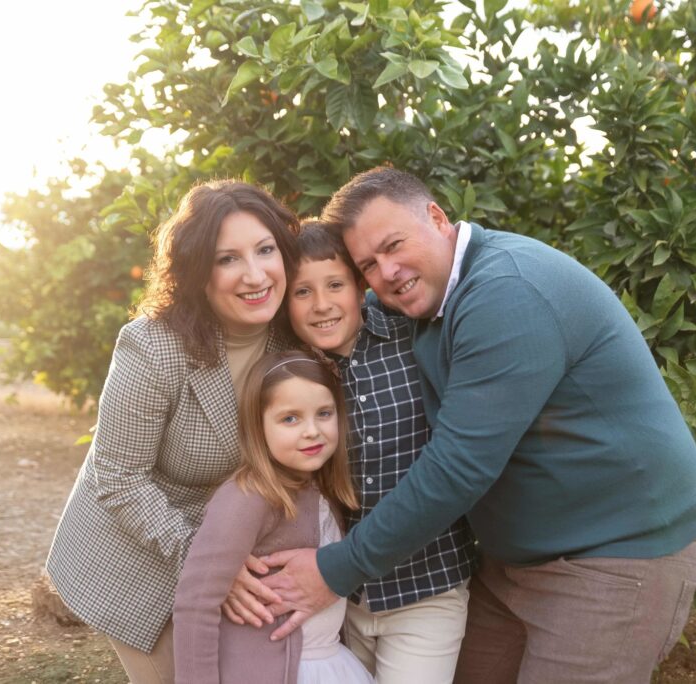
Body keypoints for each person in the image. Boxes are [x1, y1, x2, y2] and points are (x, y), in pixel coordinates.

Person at [258, 167, 696, 683]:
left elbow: (458, 468)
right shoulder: (431, 298)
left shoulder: (505, 293)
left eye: (395, 245)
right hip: (515, 564)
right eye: (369, 266)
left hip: (614, 556)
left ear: (436, 217)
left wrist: (336, 569)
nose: (388, 271)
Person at [44, 179, 300, 683]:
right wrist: (211, 563)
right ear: (197, 271)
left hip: (232, 542)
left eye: (265, 249)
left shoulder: (293, 330)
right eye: (227, 259)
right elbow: (117, 476)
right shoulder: (153, 346)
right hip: (135, 551)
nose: (255, 274)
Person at [286, 221, 475, 682]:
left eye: (335, 285)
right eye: (302, 292)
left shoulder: (412, 337)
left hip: (427, 587)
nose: (322, 304)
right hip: (339, 600)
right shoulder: (294, 375)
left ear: (359, 287)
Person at [173, 350, 375, 684]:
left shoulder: (323, 490)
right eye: (290, 419)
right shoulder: (248, 496)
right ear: (258, 425)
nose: (312, 431)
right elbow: (195, 603)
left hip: (332, 664)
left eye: (324, 413)